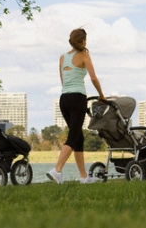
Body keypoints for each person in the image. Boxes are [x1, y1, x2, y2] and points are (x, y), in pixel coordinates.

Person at [47, 28, 107, 184]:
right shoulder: (84, 55)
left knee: (78, 137)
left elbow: (63, 80)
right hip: (77, 98)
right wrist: (101, 95)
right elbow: (93, 78)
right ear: (82, 41)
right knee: (73, 136)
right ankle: (57, 170)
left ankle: (83, 177)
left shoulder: (62, 58)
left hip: (64, 99)